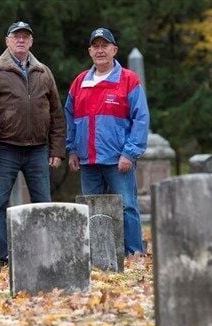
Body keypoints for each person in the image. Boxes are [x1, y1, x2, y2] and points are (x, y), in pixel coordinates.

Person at [0, 21, 66, 266]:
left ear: (31, 42)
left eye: (25, 36)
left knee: (43, 204)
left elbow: (56, 113)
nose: (21, 40)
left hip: (38, 150)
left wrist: (57, 149)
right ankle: (2, 258)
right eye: (16, 36)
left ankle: (45, 256)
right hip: (4, 149)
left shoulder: (44, 72)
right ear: (7, 41)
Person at [65, 27, 149, 256]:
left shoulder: (129, 80)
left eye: (105, 46)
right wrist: (72, 150)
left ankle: (134, 254)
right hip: (88, 160)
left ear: (114, 50)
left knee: (127, 206)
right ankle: (97, 255)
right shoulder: (79, 81)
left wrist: (130, 153)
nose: (100, 50)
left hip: (118, 158)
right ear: (90, 51)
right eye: (96, 46)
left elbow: (141, 119)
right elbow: (70, 119)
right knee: (91, 207)